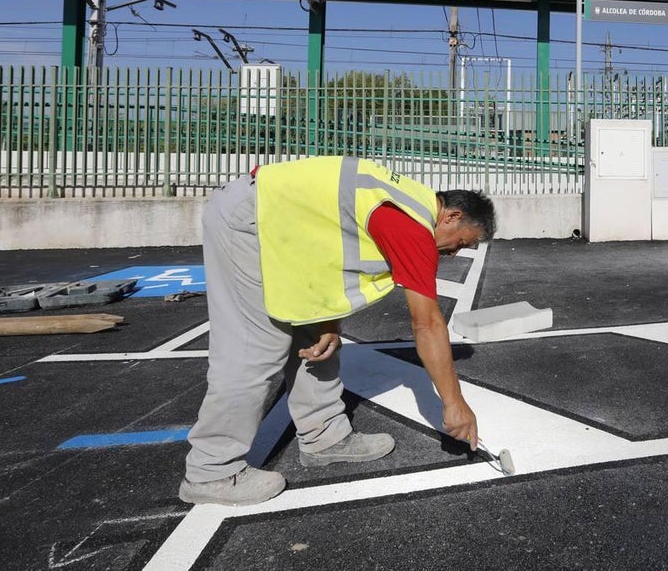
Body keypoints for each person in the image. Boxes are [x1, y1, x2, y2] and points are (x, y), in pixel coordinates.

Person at [179, 155, 495, 506]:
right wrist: (454, 404)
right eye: (461, 242)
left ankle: (324, 437)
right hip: (251, 221)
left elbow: (327, 248)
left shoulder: (406, 203)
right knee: (256, 346)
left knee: (315, 335)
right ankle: (211, 471)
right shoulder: (409, 223)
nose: (454, 253)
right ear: (451, 216)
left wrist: (327, 321)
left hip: (280, 225)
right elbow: (427, 324)